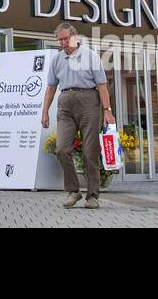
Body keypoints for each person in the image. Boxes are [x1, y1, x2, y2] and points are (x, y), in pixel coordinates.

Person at [41, 24, 115, 209]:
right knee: (62, 149)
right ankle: (74, 191)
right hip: (65, 102)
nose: (63, 43)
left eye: (66, 38)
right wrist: (44, 112)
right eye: (60, 40)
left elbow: (102, 85)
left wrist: (107, 111)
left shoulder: (90, 55)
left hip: (89, 101)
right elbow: (51, 87)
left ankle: (92, 196)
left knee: (90, 151)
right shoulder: (58, 59)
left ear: (74, 36)